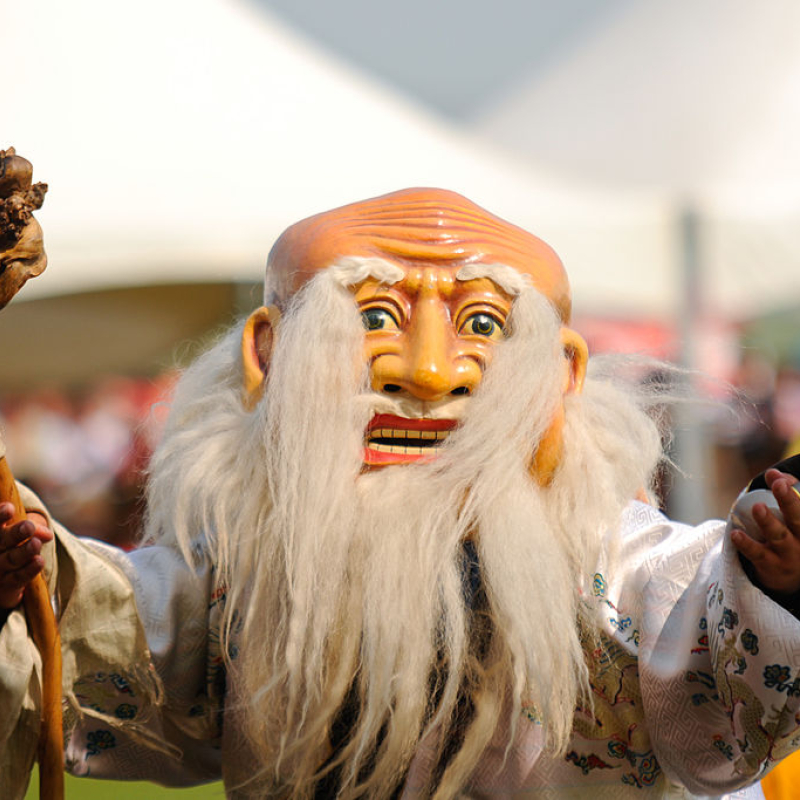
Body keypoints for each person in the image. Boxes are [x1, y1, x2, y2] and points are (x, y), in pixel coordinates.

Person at [2, 188, 800, 799]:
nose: (427, 372)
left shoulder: (610, 559)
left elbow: (704, 632)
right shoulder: (248, 567)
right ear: (269, 357)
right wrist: (18, 573)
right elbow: (114, 644)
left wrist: (773, 578)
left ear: (563, 375)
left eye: (481, 325)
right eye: (375, 316)